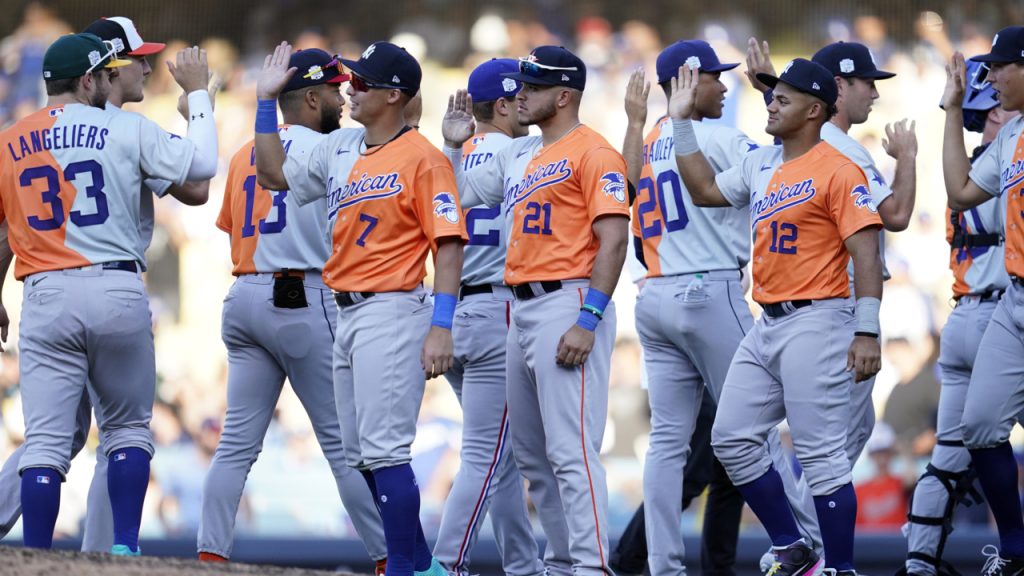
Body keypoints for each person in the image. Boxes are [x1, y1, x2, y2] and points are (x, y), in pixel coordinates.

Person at [253, 41, 466, 576]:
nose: (349, 87)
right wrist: (263, 102)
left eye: (364, 83)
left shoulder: (424, 158)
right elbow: (273, 175)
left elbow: (448, 244)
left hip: (393, 307)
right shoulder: (342, 146)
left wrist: (441, 327)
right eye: (351, 79)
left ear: (395, 96)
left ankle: (402, 568)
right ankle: (423, 565)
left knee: (386, 451)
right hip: (346, 310)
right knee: (362, 456)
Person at [0, 32, 218, 553]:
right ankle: (123, 548)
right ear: (87, 80)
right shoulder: (123, 126)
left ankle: (34, 557)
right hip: (115, 284)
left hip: (46, 292)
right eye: (100, 74)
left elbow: (3, 230)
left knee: (47, 444)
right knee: (126, 431)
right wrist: (201, 98)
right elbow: (202, 170)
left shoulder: (9, 139)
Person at [614, 40, 820, 576]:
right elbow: (793, 162)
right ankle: (810, 545)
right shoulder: (722, 138)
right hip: (709, 289)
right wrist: (776, 92)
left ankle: (662, 565)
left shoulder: (646, 139)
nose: (724, 86)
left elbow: (624, 189)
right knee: (757, 426)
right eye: (714, 76)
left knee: (666, 443)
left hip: (653, 297)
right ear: (688, 80)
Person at [671, 58, 883, 576]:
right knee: (732, 438)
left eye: (783, 98)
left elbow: (866, 251)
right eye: (771, 95)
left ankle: (841, 567)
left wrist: (867, 328)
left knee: (821, 456)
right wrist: (680, 123)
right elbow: (704, 190)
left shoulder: (838, 167)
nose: (770, 102)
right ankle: (792, 543)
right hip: (767, 321)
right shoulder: (760, 163)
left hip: (821, 318)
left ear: (814, 110)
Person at [442, 45, 630, 575]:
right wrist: (454, 150)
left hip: (567, 300)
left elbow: (614, 240)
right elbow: (458, 196)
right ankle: (561, 562)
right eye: (520, 83)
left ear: (564, 95)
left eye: (533, 85)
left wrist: (588, 318)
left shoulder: (593, 151)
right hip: (519, 309)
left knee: (571, 452)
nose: (520, 93)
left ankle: (592, 567)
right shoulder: (520, 155)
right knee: (533, 457)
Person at [197, 47, 387, 573]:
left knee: (236, 444)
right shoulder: (339, 150)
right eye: (332, 90)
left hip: (245, 297)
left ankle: (210, 554)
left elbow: (231, 228)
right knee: (344, 445)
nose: (342, 99)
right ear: (310, 97)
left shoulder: (243, 155)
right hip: (305, 296)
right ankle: (389, 558)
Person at [900, 55, 1013, 576]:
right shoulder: (1006, 164)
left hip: (963, 318)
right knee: (980, 441)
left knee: (947, 458)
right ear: (992, 112)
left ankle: (919, 563)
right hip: (1000, 316)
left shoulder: (964, 169)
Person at [431, 58, 543, 576]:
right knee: (487, 455)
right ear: (501, 104)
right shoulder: (524, 154)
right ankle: (445, 563)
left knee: (503, 458)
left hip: (452, 310)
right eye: (519, 95)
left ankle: (523, 565)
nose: (527, 103)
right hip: (499, 308)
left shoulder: (448, 159)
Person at [943, 27, 1024, 575]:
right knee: (979, 427)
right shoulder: (1013, 131)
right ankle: (1016, 551)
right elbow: (962, 192)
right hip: (1014, 301)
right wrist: (952, 112)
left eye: (1000, 66)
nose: (990, 77)